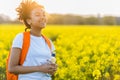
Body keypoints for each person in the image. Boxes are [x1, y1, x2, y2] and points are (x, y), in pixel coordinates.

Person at [8, 0, 57, 80]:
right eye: (38, 15)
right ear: (28, 20)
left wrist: (52, 69)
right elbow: (12, 68)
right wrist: (39, 68)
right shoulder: (21, 38)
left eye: (44, 15)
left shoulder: (49, 42)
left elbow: (49, 70)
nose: (42, 17)